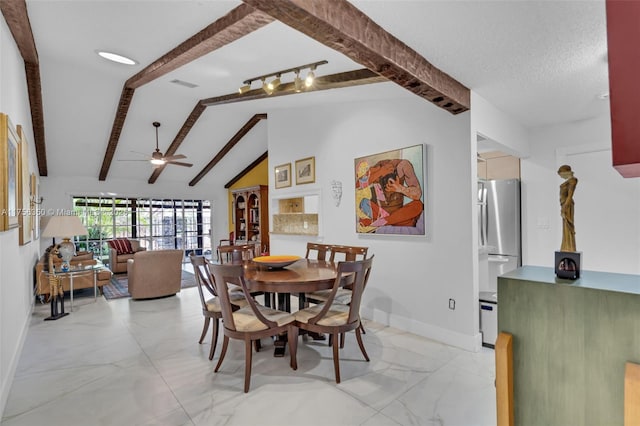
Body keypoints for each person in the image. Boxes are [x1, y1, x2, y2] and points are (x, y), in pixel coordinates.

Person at [558, 164, 578, 252]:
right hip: (564, 204)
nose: (561, 177)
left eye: (561, 174)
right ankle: (566, 246)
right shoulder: (569, 181)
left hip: (567, 205)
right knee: (565, 227)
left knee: (567, 226)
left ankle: (569, 246)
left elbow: (570, 196)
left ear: (565, 172)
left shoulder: (572, 181)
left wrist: (564, 208)